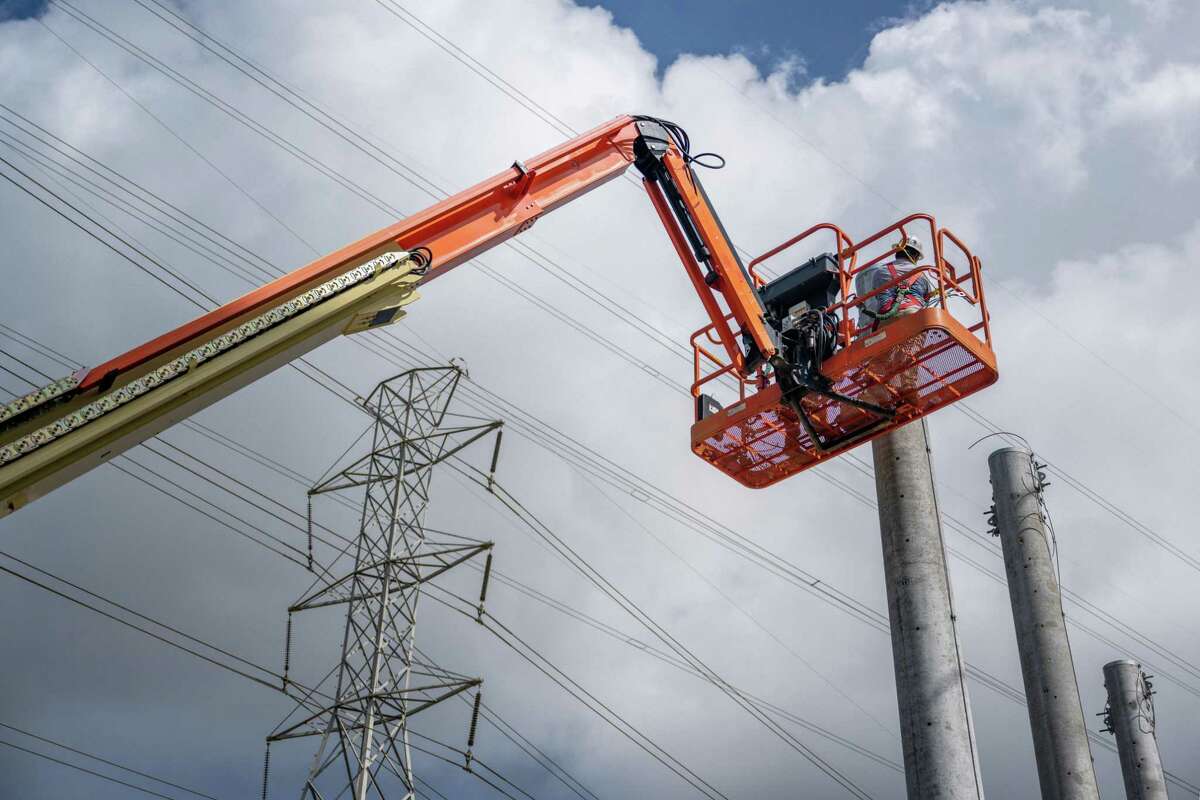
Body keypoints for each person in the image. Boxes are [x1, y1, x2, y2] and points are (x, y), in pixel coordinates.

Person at [854, 235, 936, 335]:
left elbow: (877, 297)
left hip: (885, 321)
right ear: (915, 256)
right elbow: (926, 301)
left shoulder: (880, 272)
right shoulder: (922, 276)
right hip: (914, 317)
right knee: (914, 348)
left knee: (889, 350)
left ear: (897, 251)